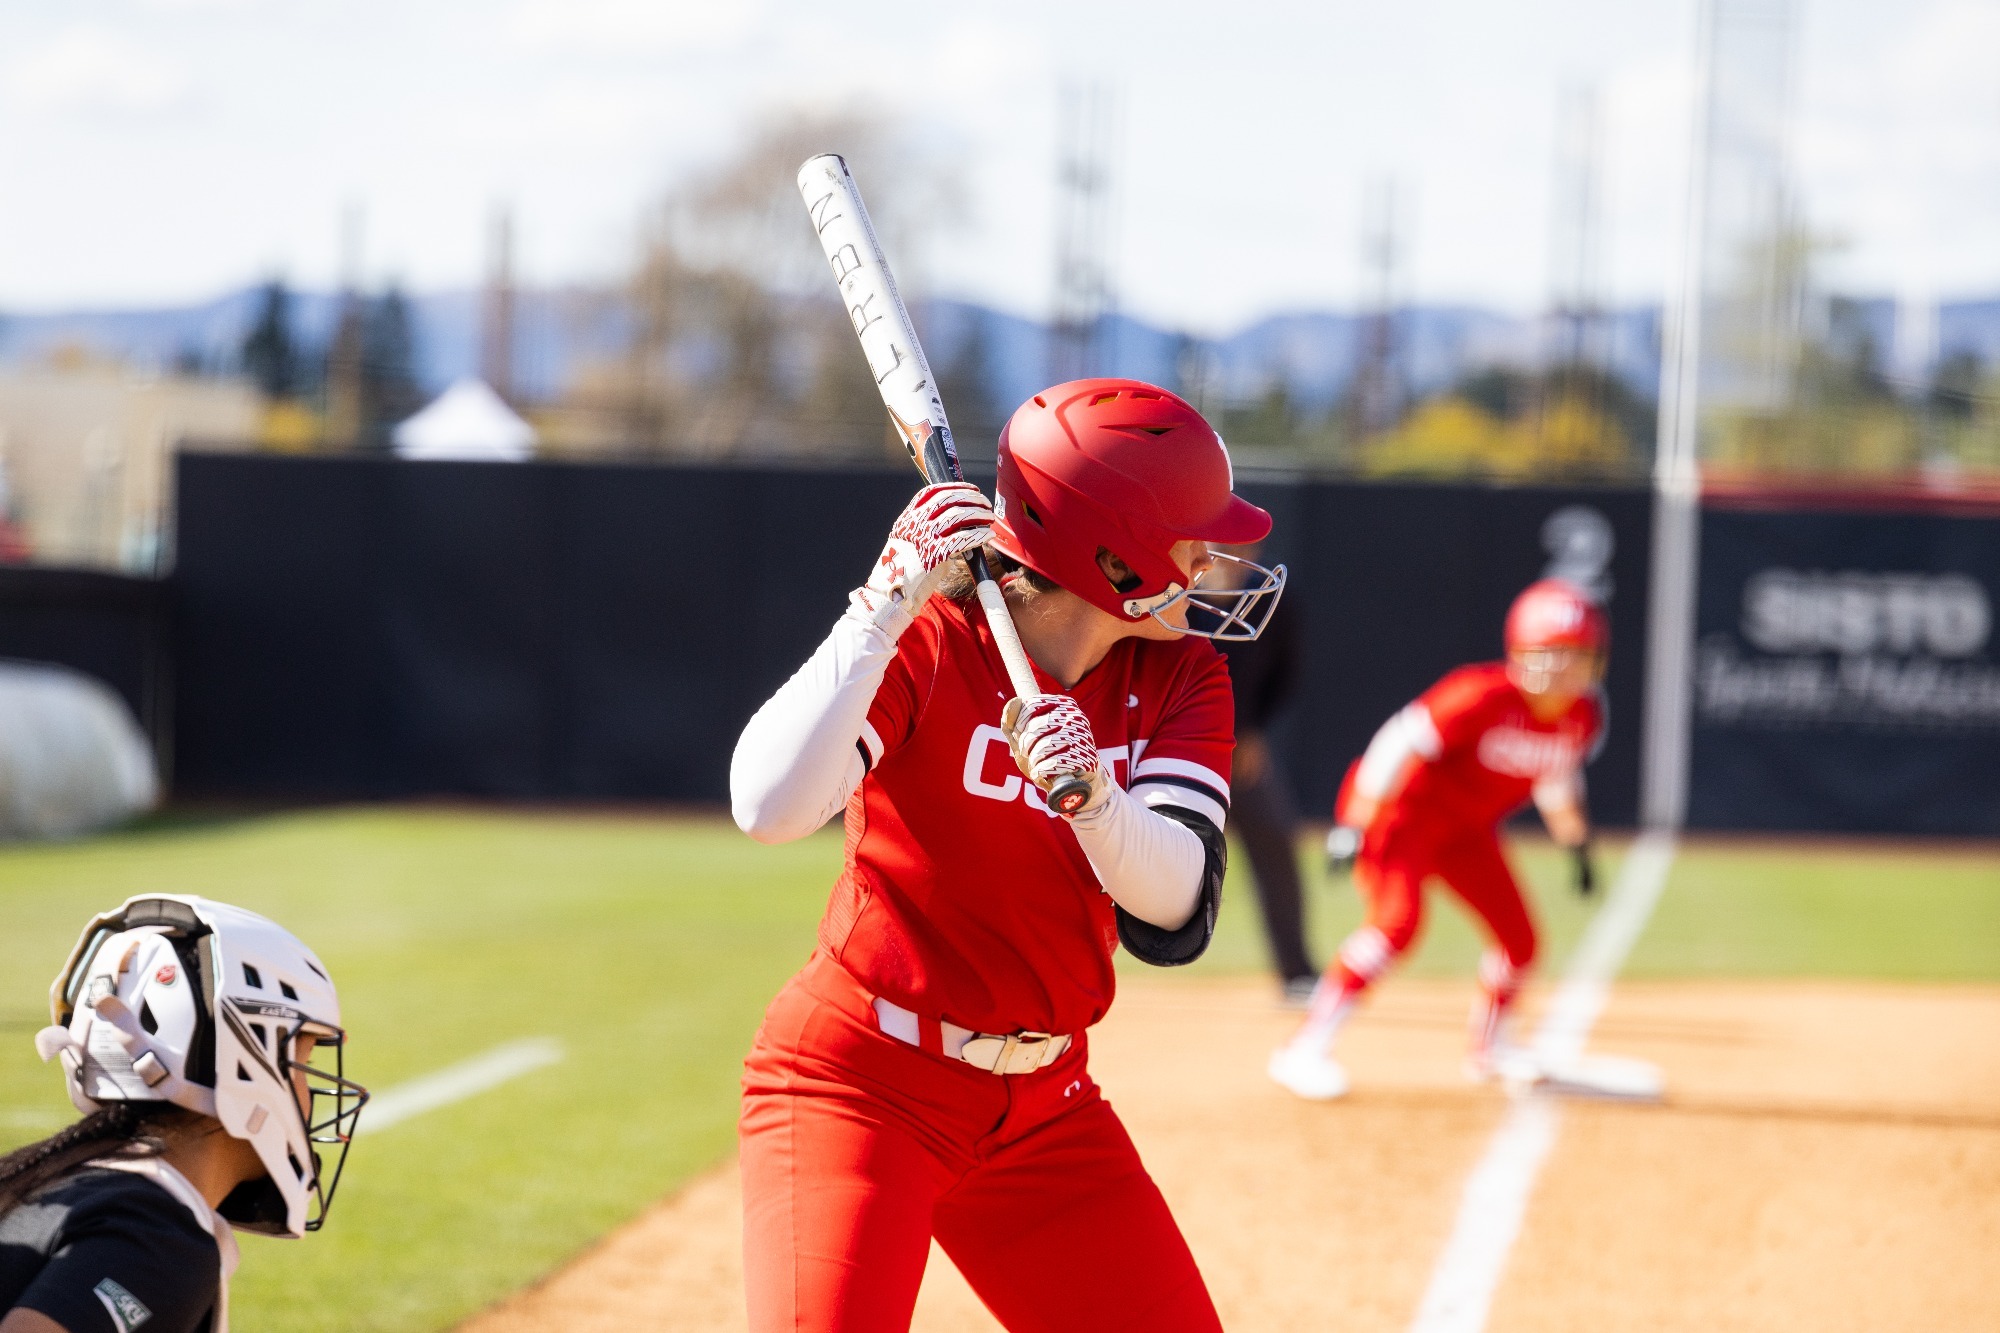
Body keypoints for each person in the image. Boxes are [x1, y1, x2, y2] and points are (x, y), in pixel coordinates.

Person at [730, 378, 1285, 1332]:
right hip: (863, 1082)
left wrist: (1098, 802)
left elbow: (1174, 898)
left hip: (1046, 1106)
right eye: (1195, 541)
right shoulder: (934, 639)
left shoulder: (1184, 675)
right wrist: (879, 605)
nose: (1215, 563)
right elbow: (768, 806)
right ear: (1120, 557)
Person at [1268, 579, 1606, 1101]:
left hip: (1463, 829)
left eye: (1576, 655)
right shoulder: (1480, 694)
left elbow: (1556, 774)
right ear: (1520, 651)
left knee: (1521, 942)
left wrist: (1575, 843)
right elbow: (1398, 742)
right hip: (1400, 814)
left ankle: (1491, 1049)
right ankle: (1304, 1049)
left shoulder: (1582, 715)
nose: (1563, 669)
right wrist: (1355, 823)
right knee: (1395, 925)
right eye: (1551, 653)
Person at [1, 895, 367, 1333]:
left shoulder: (52, 1181)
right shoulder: (154, 1233)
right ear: (247, 1062)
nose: (310, 1096)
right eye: (302, 1064)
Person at [1213, 540, 1315, 1001]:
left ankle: (1297, 972)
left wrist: (1253, 730)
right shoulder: (1173, 595)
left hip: (1242, 754)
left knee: (1276, 843)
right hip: (1173, 746)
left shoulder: (1270, 597)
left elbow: (1286, 672)